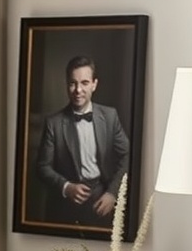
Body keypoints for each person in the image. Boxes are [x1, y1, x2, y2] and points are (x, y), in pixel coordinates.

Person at [36, 55, 130, 229]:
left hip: (101, 200)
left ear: (94, 84)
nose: (78, 90)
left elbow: (128, 155)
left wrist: (112, 193)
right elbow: (42, 167)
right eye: (73, 83)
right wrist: (66, 187)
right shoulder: (53, 123)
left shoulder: (110, 116)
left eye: (84, 83)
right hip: (64, 207)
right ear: (67, 85)